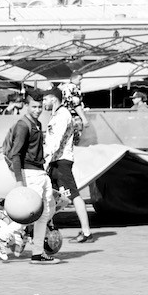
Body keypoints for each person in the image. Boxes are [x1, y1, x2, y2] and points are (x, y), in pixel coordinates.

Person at [4, 92, 58, 264]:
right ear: (27, 106)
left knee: (46, 211)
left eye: (39, 106)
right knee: (30, 212)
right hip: (30, 174)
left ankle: (38, 253)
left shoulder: (37, 123)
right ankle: (2, 234)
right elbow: (15, 154)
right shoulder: (23, 125)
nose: (37, 110)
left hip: (40, 172)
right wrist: (20, 182)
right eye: (34, 106)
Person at [43, 88, 92, 243]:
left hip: (61, 161)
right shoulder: (56, 115)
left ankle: (86, 233)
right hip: (54, 161)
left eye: (45, 99)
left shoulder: (63, 115)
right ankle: (45, 228)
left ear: (53, 99)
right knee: (47, 194)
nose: (43, 103)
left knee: (73, 195)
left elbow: (55, 141)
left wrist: (44, 158)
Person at [58, 73, 89, 145]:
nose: (81, 81)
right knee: (75, 140)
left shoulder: (65, 87)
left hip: (65, 116)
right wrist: (84, 118)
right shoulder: (74, 88)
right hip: (74, 117)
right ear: (74, 79)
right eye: (79, 79)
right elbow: (76, 104)